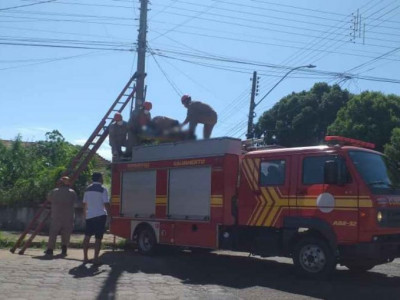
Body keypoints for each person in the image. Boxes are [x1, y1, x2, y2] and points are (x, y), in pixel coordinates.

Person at [44, 176, 78, 257]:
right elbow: (75, 201)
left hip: (56, 215)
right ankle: (64, 249)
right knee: (66, 233)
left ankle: (50, 249)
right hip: (68, 216)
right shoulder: (72, 192)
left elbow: (49, 198)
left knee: (53, 233)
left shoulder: (54, 192)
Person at [82, 172, 110, 264]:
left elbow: (84, 204)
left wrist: (85, 215)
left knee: (87, 236)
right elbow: (106, 204)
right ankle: (95, 258)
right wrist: (110, 215)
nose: (103, 179)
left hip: (89, 215)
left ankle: (85, 257)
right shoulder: (103, 189)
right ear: (99, 179)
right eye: (102, 177)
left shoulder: (87, 189)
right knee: (98, 238)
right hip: (100, 216)